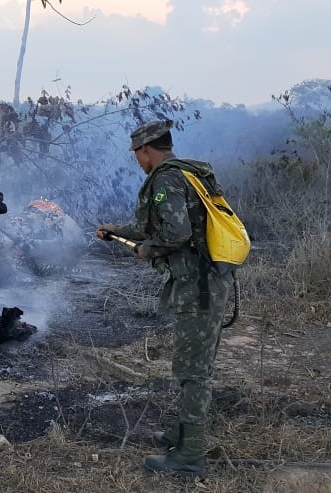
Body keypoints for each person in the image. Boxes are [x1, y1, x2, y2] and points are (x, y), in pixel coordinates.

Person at [95, 119, 233, 477]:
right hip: (205, 283)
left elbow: (174, 232)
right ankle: (184, 434)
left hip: (197, 286)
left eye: (138, 154)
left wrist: (147, 250)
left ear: (146, 150)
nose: (138, 161)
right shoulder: (187, 174)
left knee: (193, 370)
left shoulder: (166, 180)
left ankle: (189, 455)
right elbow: (160, 225)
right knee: (193, 364)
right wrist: (117, 231)